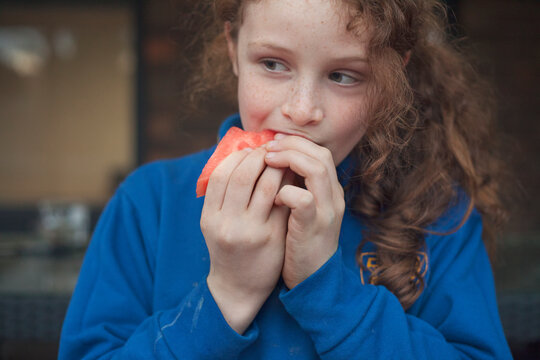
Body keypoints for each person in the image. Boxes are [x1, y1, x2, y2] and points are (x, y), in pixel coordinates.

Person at [59, 0, 514, 358]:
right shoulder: (148, 204)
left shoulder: (442, 215)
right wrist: (228, 295)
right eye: (273, 64)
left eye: (343, 75)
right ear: (234, 50)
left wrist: (325, 287)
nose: (301, 109)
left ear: (389, 80)